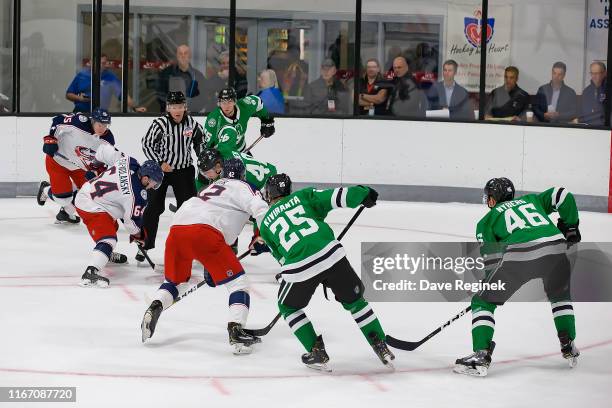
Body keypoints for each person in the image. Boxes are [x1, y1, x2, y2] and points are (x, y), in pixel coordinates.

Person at [257, 174, 394, 371]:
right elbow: (337, 196)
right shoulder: (303, 197)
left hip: (299, 267)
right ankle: (380, 345)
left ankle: (316, 351)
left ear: (269, 195)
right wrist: (363, 193)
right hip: (331, 255)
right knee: (356, 302)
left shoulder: (265, 225)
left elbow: (281, 259)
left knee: (288, 307)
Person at [454, 177, 581, 377]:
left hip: (521, 255)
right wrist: (571, 225)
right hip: (556, 250)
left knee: (483, 301)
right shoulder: (532, 200)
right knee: (560, 296)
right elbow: (561, 194)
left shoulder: (486, 221)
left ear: (493, 198)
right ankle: (568, 342)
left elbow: (492, 259)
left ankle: (481, 355)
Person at [141, 158, 269, 355]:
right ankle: (236, 331)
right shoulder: (245, 187)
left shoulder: (211, 187)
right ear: (242, 174)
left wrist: (210, 264)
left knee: (174, 282)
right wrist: (263, 238)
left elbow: (214, 216)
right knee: (238, 283)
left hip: (176, 230)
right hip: (205, 233)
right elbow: (261, 209)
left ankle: (156, 304)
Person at [74, 145, 163, 288]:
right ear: (146, 178)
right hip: (90, 204)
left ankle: (105, 254)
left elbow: (103, 150)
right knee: (108, 238)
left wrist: (94, 165)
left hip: (89, 191)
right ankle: (91, 272)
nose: (153, 186)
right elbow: (131, 223)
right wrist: (139, 235)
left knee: (111, 226)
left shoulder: (129, 161)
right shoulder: (138, 195)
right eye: (154, 182)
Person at [140, 91, 203, 258]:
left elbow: (200, 143)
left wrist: (203, 159)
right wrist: (160, 162)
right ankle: (145, 243)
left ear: (185, 107)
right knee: (153, 207)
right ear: (168, 108)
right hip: (160, 171)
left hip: (184, 171)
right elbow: (146, 144)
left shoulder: (191, 124)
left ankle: (189, 244)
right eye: (174, 106)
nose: (177, 110)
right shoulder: (159, 124)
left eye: (180, 106)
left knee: (188, 209)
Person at [36, 108, 115, 224]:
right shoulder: (79, 122)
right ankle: (45, 189)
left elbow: (104, 160)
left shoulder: (108, 139)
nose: (102, 128)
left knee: (90, 194)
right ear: (92, 121)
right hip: (58, 162)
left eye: (105, 125)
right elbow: (57, 120)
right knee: (63, 199)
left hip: (80, 167)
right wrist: (51, 140)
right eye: (99, 124)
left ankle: (65, 213)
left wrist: (96, 172)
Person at [203, 87, 275, 157]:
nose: (226, 106)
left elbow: (258, 102)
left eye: (229, 101)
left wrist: (266, 120)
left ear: (235, 101)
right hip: (223, 156)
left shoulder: (245, 106)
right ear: (219, 103)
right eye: (223, 102)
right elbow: (207, 146)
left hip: (242, 152)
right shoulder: (213, 120)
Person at [65, 54, 146, 113]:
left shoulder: (110, 77)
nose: (106, 65)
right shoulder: (82, 75)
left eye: (106, 62)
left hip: (101, 114)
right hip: (81, 112)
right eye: (103, 63)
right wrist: (80, 98)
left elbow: (123, 95)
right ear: (92, 62)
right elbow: (68, 94)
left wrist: (135, 107)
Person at [195, 148, 277, 193]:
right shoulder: (222, 157)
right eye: (204, 173)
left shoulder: (230, 172)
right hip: (256, 176)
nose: (207, 176)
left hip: (267, 180)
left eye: (208, 173)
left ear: (217, 167)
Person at [156, 45, 205, 112]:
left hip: (191, 116)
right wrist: (170, 106)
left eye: (185, 53)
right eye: (180, 53)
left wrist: (191, 108)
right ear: (177, 56)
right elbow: (160, 94)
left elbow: (203, 97)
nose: (183, 56)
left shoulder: (198, 76)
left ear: (190, 56)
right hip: (169, 115)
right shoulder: (166, 74)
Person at [580, 61, 607, 125]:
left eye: (597, 73)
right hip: (589, 127)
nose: (594, 76)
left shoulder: (609, 90)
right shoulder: (586, 91)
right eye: (592, 73)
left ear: (604, 73)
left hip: (605, 128)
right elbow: (584, 113)